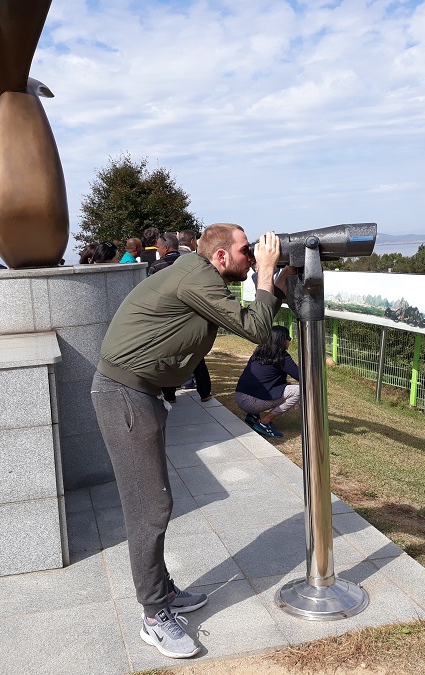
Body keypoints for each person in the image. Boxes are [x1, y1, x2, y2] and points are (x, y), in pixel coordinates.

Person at [91, 225, 294, 659]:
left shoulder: (198, 272)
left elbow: (253, 315)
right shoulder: (197, 275)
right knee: (149, 508)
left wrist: (277, 279)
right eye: (246, 251)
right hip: (124, 394)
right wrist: (264, 275)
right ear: (221, 258)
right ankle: (153, 616)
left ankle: (162, 592)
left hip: (137, 392)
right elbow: (257, 330)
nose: (253, 255)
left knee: (155, 501)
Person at [235, 325, 301, 438]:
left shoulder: (258, 352)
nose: (289, 341)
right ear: (282, 340)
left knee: (284, 386)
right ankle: (264, 422)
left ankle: (253, 416)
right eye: (288, 338)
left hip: (239, 397)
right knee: (300, 390)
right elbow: (302, 377)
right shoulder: (282, 357)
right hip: (253, 403)